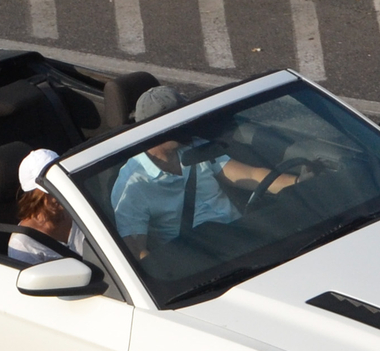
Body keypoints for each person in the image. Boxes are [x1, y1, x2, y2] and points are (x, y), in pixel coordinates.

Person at [107, 85, 298, 259]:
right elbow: (138, 252)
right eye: (179, 122)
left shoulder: (195, 147)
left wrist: (301, 183)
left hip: (244, 241)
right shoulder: (132, 186)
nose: (189, 125)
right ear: (153, 131)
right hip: (203, 262)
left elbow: (252, 176)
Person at [10, 148, 89, 266]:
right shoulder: (23, 244)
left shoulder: (81, 210)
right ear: (34, 197)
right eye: (51, 190)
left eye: (62, 184)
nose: (61, 193)